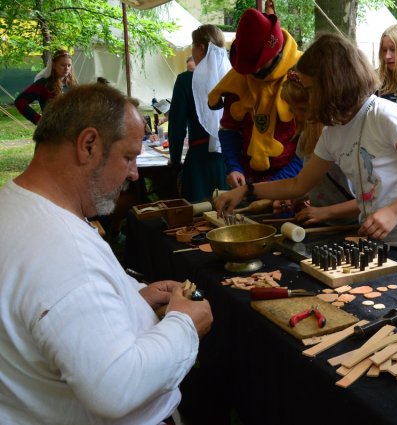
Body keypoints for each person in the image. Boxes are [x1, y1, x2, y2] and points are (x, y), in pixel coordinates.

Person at [0, 83, 213, 424]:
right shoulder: (61, 251)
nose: (134, 173)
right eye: (128, 157)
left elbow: (53, 318)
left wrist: (131, 303)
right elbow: (116, 389)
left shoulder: (16, 207)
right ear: (88, 145)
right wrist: (185, 323)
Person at [216, 33, 397, 264]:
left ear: (332, 85)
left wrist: (395, 212)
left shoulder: (386, 116)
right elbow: (298, 184)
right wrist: (246, 191)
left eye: (310, 90)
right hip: (372, 239)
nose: (307, 98)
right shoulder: (333, 131)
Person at [208, 8, 303, 189]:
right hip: (248, 181)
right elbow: (229, 129)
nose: (254, 71)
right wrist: (234, 168)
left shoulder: (304, 75)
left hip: (293, 183)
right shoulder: (238, 78)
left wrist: (275, 185)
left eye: (258, 64)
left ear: (275, 51)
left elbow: (312, 143)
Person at [280, 69, 359, 226]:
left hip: (354, 226)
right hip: (326, 224)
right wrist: (298, 196)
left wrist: (326, 212)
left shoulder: (340, 138)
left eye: (302, 109)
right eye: (291, 109)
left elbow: (371, 199)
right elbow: (310, 185)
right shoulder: (305, 138)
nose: (297, 116)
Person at [168, 24, 230, 203]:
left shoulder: (185, 81)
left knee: (197, 218)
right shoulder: (232, 79)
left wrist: (175, 159)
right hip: (229, 161)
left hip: (199, 162)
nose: (192, 51)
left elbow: (176, 127)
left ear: (201, 48)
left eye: (192, 46)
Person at [14, 49, 76, 125]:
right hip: (52, 130)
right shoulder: (43, 84)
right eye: (63, 65)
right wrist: (39, 120)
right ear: (54, 65)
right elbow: (20, 101)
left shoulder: (72, 84)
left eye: (69, 65)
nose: (67, 68)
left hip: (71, 130)